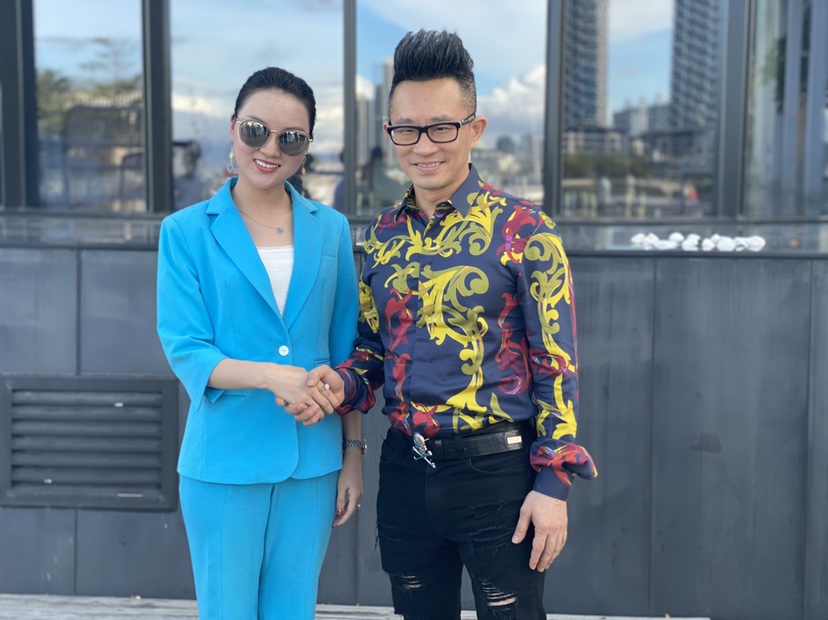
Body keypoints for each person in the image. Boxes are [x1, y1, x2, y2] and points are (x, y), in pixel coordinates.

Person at [293, 30, 597, 619]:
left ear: (474, 129)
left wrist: (553, 485)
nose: (423, 146)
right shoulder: (382, 235)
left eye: (441, 127)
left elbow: (556, 365)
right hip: (405, 472)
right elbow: (374, 349)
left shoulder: (525, 230)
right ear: (390, 132)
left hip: (499, 476)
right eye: (406, 129)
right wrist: (341, 383)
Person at [156, 66, 364, 620]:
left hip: (312, 460)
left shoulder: (331, 229)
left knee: (294, 611)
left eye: (290, 138)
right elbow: (187, 347)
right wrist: (271, 376)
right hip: (224, 460)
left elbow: (346, 351)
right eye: (256, 131)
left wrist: (352, 455)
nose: (270, 149)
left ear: (307, 147)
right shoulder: (185, 231)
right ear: (232, 128)